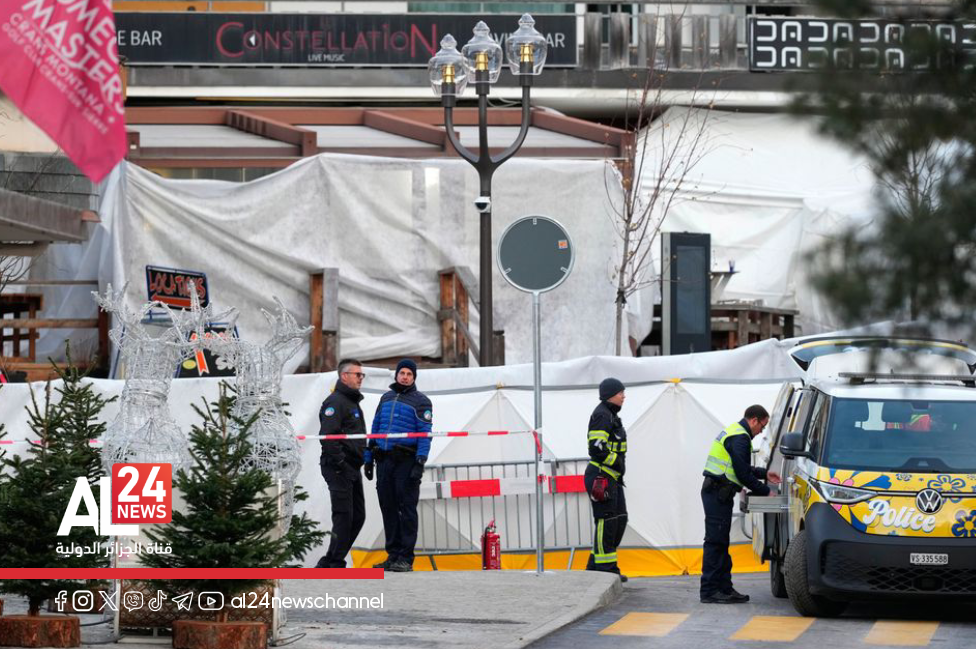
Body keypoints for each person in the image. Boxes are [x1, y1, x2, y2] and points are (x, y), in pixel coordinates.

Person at [700, 404, 782, 603]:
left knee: (721, 542)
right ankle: (710, 591)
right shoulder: (740, 437)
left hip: (719, 493)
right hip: (718, 493)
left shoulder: (735, 432)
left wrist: (764, 474)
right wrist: (766, 492)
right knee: (715, 543)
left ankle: (724, 588)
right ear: (754, 420)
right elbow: (743, 474)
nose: (761, 431)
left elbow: (741, 466)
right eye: (762, 426)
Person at [364, 359, 432, 573]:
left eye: (409, 374)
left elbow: (425, 434)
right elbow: (375, 428)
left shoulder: (422, 402)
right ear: (396, 375)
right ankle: (393, 555)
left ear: (414, 377)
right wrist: (368, 457)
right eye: (402, 373)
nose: (405, 377)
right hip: (384, 460)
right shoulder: (386, 398)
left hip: (406, 461)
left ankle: (406, 557)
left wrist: (420, 461)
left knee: (407, 509)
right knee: (388, 508)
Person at [316, 358, 369, 568]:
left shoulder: (351, 401)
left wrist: (366, 458)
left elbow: (356, 436)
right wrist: (341, 463)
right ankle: (334, 562)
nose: (361, 378)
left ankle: (330, 560)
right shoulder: (335, 402)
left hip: (352, 467)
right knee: (344, 516)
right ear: (344, 376)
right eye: (358, 374)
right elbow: (328, 437)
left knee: (358, 517)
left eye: (362, 375)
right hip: (339, 468)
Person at [584, 377, 629, 582]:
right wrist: (616, 462)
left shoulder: (611, 415)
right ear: (611, 395)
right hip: (601, 476)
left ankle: (595, 565)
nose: (623, 396)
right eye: (621, 393)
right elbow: (596, 447)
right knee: (607, 520)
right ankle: (606, 570)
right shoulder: (602, 415)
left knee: (620, 519)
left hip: (612, 477)